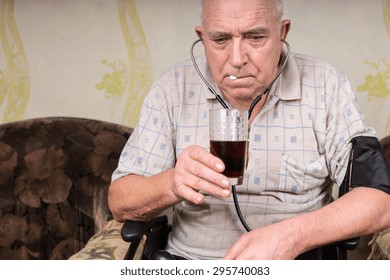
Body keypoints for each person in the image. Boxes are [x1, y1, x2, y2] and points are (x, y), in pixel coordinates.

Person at [108, 0, 390, 260]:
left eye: (255, 37)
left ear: (283, 32)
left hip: (293, 263)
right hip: (192, 263)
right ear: (202, 37)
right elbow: (120, 202)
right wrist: (171, 183)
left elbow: (379, 199)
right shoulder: (171, 88)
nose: (237, 59)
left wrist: (289, 237)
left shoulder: (327, 85)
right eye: (219, 39)